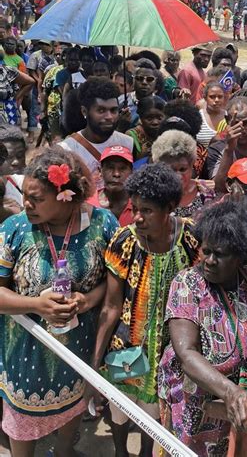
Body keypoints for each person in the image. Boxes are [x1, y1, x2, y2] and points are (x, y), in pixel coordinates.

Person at [0, 146, 118, 456]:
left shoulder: (103, 225)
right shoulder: (15, 229)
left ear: (65, 194)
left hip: (81, 351)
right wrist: (36, 305)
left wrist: (88, 299)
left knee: (73, 414)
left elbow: (118, 282)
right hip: (25, 355)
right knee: (22, 427)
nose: (26, 204)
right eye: (25, 194)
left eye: (36, 198)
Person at [89, 163, 199, 457]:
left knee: (156, 418)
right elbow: (111, 307)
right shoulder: (124, 241)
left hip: (169, 353)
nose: (137, 217)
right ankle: (120, 451)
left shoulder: (190, 238)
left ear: (170, 208)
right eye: (134, 207)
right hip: (125, 348)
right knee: (119, 410)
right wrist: (94, 368)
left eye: (147, 211)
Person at [158, 198, 247, 455]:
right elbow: (186, 353)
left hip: (244, 407)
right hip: (196, 407)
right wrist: (230, 391)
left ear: (240, 255)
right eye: (205, 251)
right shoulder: (188, 284)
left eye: (219, 254)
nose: (208, 260)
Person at [60, 78, 133, 190]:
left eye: (113, 110)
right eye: (101, 111)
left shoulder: (128, 143)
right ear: (84, 111)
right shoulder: (67, 150)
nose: (109, 117)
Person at [152, 130, 216, 218]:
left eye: (182, 169)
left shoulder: (206, 191)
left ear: (191, 166)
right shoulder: (153, 195)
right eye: (171, 170)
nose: (178, 176)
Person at [206, 97, 247, 191]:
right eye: (236, 123)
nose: (241, 129)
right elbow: (218, 187)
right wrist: (228, 149)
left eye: (246, 123)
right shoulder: (217, 149)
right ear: (227, 120)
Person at [89, 145, 134, 226]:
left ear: (132, 172)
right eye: (110, 167)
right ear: (100, 171)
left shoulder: (140, 206)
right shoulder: (89, 204)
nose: (116, 174)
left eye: (122, 168)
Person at [127, 96, 166, 161]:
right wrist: (141, 157)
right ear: (141, 118)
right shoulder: (131, 137)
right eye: (149, 118)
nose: (155, 122)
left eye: (159, 118)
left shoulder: (168, 134)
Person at [0, 58, 34, 126]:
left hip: (8, 114)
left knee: (10, 135)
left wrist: (16, 98)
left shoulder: (6, 71)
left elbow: (30, 82)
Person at [197, 81, 227, 147]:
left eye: (220, 97)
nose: (216, 100)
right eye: (212, 97)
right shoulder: (197, 117)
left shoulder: (229, 117)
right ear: (205, 98)